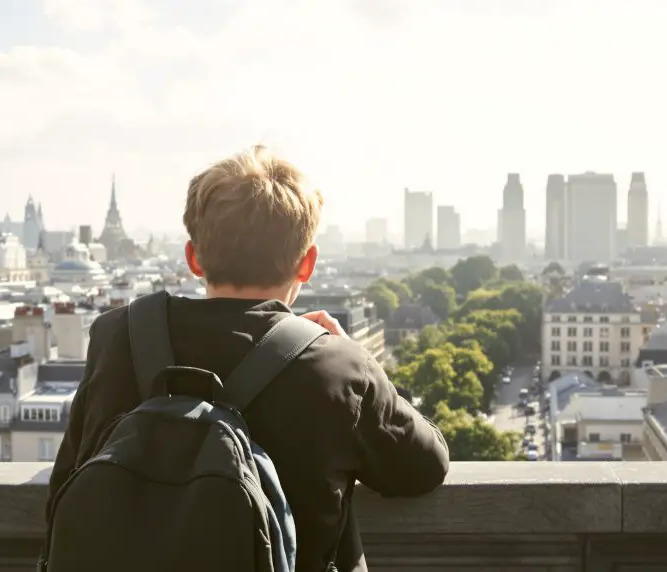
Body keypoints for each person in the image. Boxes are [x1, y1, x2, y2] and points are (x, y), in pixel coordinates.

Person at [47, 145, 449, 572]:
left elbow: (67, 479)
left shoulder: (117, 336)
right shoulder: (336, 366)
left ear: (193, 258)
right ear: (307, 263)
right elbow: (424, 467)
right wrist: (358, 361)